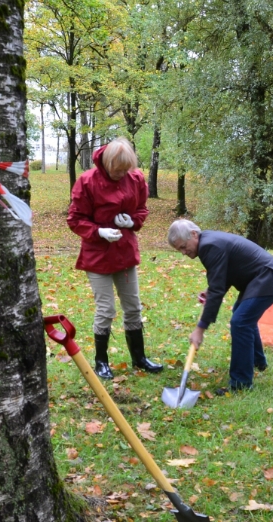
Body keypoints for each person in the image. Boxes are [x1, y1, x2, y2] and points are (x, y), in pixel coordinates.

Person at [67, 137, 163, 380]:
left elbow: (142, 209)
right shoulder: (87, 181)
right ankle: (101, 361)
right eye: (117, 170)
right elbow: (75, 219)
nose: (121, 174)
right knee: (106, 308)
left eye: (125, 169)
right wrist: (99, 231)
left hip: (125, 252)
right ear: (107, 163)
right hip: (97, 255)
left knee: (133, 306)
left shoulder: (136, 178)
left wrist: (133, 221)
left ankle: (139, 358)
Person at [168, 219, 273, 393]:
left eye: (183, 246)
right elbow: (221, 279)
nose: (183, 252)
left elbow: (218, 290)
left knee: (241, 322)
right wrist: (210, 291)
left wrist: (200, 329)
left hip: (269, 277)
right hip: (260, 278)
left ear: (193, 234)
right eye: (179, 250)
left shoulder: (209, 246)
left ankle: (241, 384)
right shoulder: (208, 242)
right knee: (242, 316)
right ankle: (257, 361)